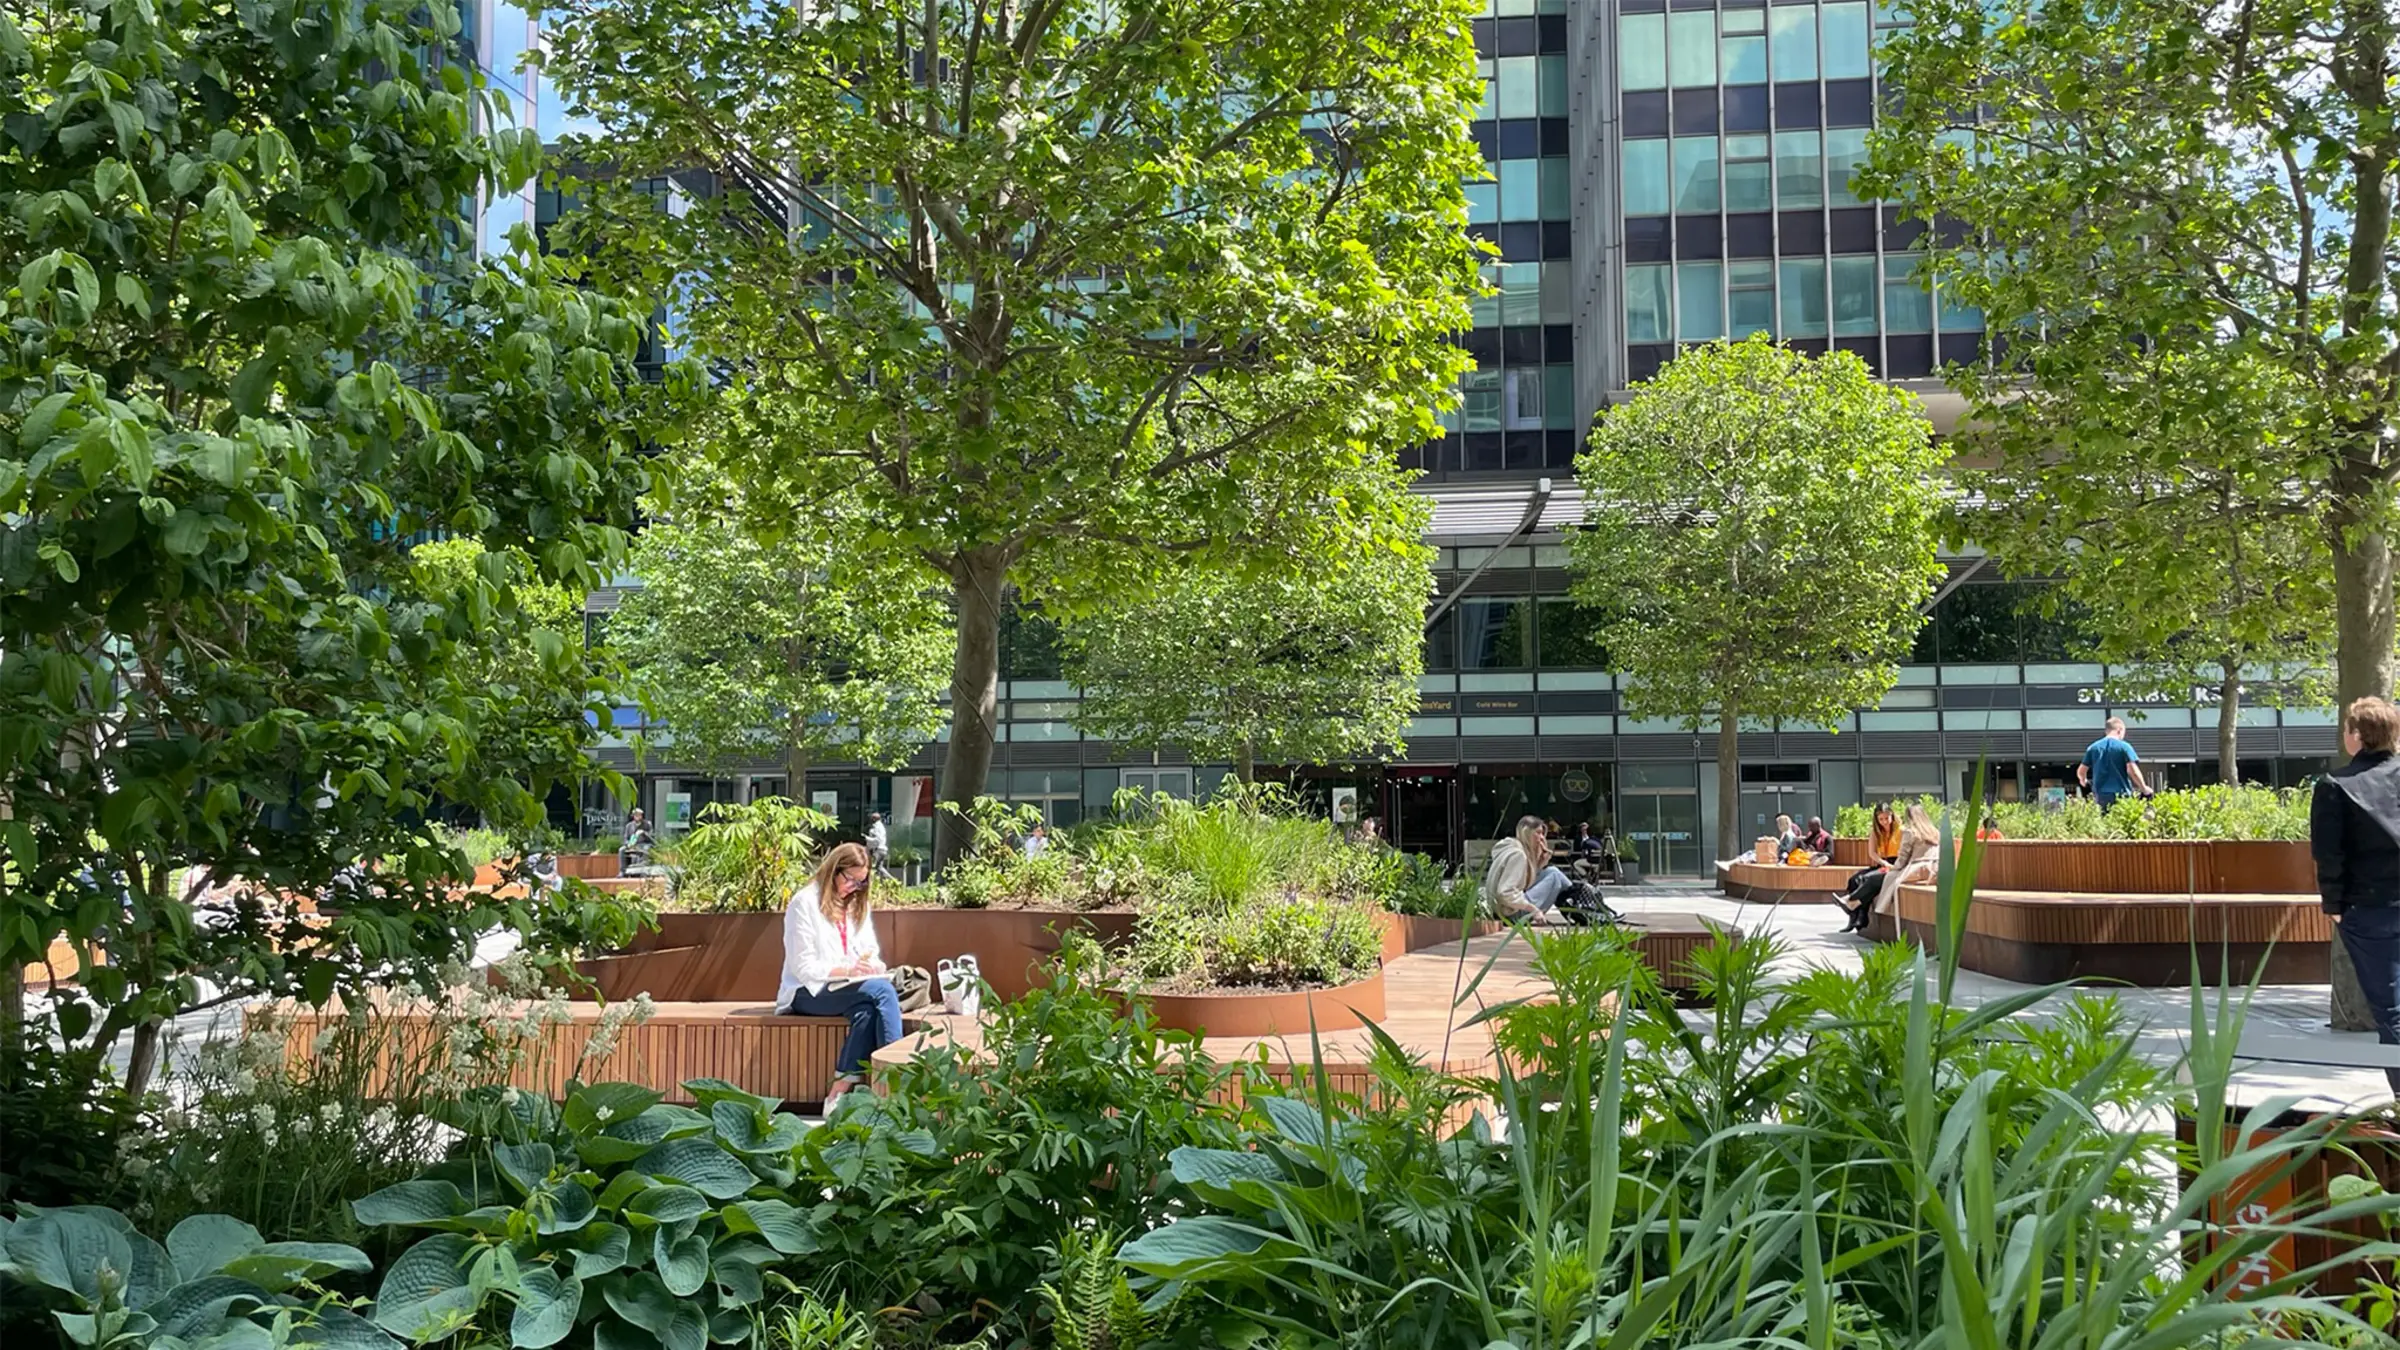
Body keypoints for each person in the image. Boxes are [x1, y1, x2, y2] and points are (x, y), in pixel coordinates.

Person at [2312, 696, 2400, 1096]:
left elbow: (2329, 853)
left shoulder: (2335, 786)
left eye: (2347, 729)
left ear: (2358, 736)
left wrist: (2334, 906)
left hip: (2370, 908)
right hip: (2375, 905)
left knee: (2391, 1010)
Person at [776, 842, 902, 1100]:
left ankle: (837, 1094)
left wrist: (871, 965)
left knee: (866, 1012)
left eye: (861, 882)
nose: (854, 887)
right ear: (834, 870)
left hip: (847, 988)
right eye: (850, 879)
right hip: (807, 990)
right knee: (883, 992)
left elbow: (870, 948)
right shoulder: (804, 903)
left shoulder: (857, 904)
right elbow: (803, 967)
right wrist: (846, 970)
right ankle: (895, 1089)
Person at [1841, 804, 1940, 933]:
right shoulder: (1935, 832)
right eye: (1880, 819)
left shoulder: (1909, 832)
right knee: (1861, 878)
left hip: (1914, 869)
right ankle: (1854, 907)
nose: (1884, 822)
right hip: (1932, 870)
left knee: (1875, 879)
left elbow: (1903, 857)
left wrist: (1894, 868)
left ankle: (1851, 900)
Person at [1484, 816, 1582, 923]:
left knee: (1552, 871)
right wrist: (1534, 910)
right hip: (1511, 915)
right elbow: (1505, 893)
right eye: (1538, 833)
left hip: (1505, 910)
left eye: (1542, 834)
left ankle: (1578, 899)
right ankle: (1582, 905)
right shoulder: (1518, 855)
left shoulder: (1513, 848)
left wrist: (1540, 862)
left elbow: (1523, 883)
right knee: (1555, 877)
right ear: (1526, 833)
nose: (1542, 838)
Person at [2078, 717, 2152, 811]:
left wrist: (2084, 781)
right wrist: (2144, 788)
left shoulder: (2093, 748)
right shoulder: (2124, 747)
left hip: (2101, 796)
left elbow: (2081, 771)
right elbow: (2133, 771)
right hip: (2121, 795)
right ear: (2119, 730)